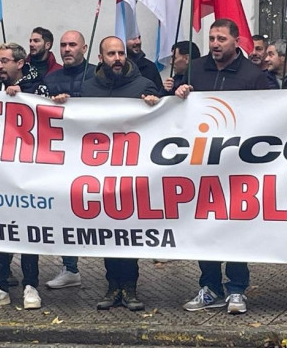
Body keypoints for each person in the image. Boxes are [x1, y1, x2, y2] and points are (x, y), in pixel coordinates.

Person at [175, 19, 273, 314]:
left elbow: (269, 115)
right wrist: (179, 94)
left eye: (221, 39)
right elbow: (175, 111)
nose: (215, 44)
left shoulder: (253, 75)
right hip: (201, 164)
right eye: (212, 38)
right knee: (204, 226)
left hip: (239, 166)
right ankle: (209, 287)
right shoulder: (195, 68)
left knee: (234, 227)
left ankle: (237, 289)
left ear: (235, 41)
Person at [75, 36, 160, 311]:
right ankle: (112, 286)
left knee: (128, 233)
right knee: (107, 233)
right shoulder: (88, 90)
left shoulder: (142, 86)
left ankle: (131, 288)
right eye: (111, 53)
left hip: (132, 173)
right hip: (99, 174)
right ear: (100, 57)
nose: (118, 58)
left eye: (121, 53)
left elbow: (164, 115)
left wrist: (155, 103)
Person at [0, 43, 48, 310]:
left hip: (29, 171)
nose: (0, 66)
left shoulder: (38, 86)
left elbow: (49, 116)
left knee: (28, 230)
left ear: (20, 63)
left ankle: (31, 285)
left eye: (5, 61)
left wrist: (23, 97)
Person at [42, 30, 94, 290]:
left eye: (72, 45)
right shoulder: (52, 78)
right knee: (65, 210)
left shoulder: (97, 75)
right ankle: (70, 267)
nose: (67, 49)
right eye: (63, 45)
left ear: (84, 48)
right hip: (62, 156)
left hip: (95, 156)